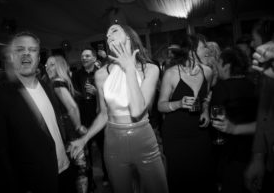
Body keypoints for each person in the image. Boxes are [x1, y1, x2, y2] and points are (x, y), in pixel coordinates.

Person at [70, 24, 168, 193]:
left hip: (143, 138)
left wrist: (129, 68)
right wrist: (84, 139)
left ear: (129, 37)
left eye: (114, 31)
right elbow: (103, 114)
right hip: (113, 141)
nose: (109, 36)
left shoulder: (150, 69)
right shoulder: (101, 74)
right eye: (107, 35)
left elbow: (137, 111)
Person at [0, 31, 75, 193]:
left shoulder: (47, 87)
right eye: (20, 49)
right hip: (33, 183)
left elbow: (53, 127)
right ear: (11, 57)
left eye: (32, 49)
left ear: (38, 57)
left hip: (64, 172)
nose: (26, 53)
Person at [158, 34, 214, 192]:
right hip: (176, 135)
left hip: (199, 132)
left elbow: (207, 97)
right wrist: (178, 103)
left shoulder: (208, 72)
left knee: (204, 174)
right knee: (180, 178)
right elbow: (160, 106)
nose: (207, 50)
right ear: (191, 51)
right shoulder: (171, 74)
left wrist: (205, 111)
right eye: (203, 47)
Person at [210, 47, 258, 193]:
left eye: (219, 62)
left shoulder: (221, 87)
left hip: (231, 150)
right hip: (254, 147)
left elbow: (216, 118)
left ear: (227, 65)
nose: (217, 67)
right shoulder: (253, 84)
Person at [45, 55, 89, 193]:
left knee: (78, 169)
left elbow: (72, 107)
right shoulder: (61, 81)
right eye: (46, 65)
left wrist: (78, 126)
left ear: (59, 66)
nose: (47, 67)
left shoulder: (57, 83)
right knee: (80, 169)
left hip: (70, 133)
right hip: (68, 133)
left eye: (52, 64)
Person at [72, 47, 109, 188]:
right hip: (84, 118)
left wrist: (96, 93)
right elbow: (74, 94)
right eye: (82, 56)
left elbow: (109, 97)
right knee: (86, 155)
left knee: (103, 148)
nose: (84, 58)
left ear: (94, 58)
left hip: (99, 117)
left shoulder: (100, 73)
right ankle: (90, 180)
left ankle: (107, 175)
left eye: (87, 56)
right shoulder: (76, 75)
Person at [245, 19, 274, 193]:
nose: (251, 43)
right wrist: (258, 158)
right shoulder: (266, 71)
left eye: (254, 38)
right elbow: (264, 115)